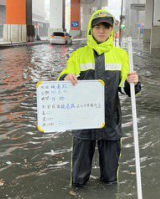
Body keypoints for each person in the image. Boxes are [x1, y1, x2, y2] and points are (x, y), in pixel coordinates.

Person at [57, 10, 141, 187]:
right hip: (83, 120)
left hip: (110, 119)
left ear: (111, 30)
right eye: (97, 26)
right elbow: (64, 76)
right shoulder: (78, 55)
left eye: (106, 27)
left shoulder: (121, 55)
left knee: (110, 178)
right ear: (91, 29)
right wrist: (65, 78)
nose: (101, 31)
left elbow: (126, 90)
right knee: (78, 179)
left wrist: (132, 82)